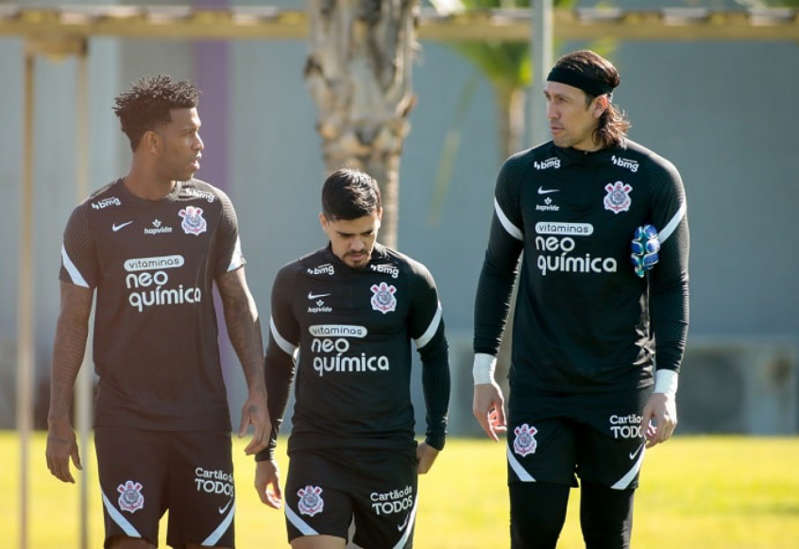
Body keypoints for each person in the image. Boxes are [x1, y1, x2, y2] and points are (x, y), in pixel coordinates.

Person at [472, 50, 689, 549]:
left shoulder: (653, 179)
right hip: (538, 388)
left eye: (564, 101)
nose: (551, 111)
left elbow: (672, 287)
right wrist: (483, 374)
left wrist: (666, 387)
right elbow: (496, 271)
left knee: (607, 535)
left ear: (599, 105)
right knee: (534, 532)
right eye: (547, 98)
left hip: (617, 386)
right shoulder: (523, 174)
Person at [46, 75, 270, 549]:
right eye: (188, 132)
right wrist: (57, 416)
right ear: (152, 141)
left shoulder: (212, 208)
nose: (199, 144)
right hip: (126, 422)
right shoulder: (91, 219)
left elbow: (238, 301)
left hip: (202, 420)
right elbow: (72, 321)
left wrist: (257, 388)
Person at [254, 168, 450, 549]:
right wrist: (265, 453)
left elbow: (435, 356)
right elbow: (278, 365)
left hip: (388, 456)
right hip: (318, 454)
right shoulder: (295, 280)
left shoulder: (411, 279)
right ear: (324, 221)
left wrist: (437, 437)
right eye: (345, 235)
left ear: (380, 214)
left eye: (367, 233)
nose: (358, 245)